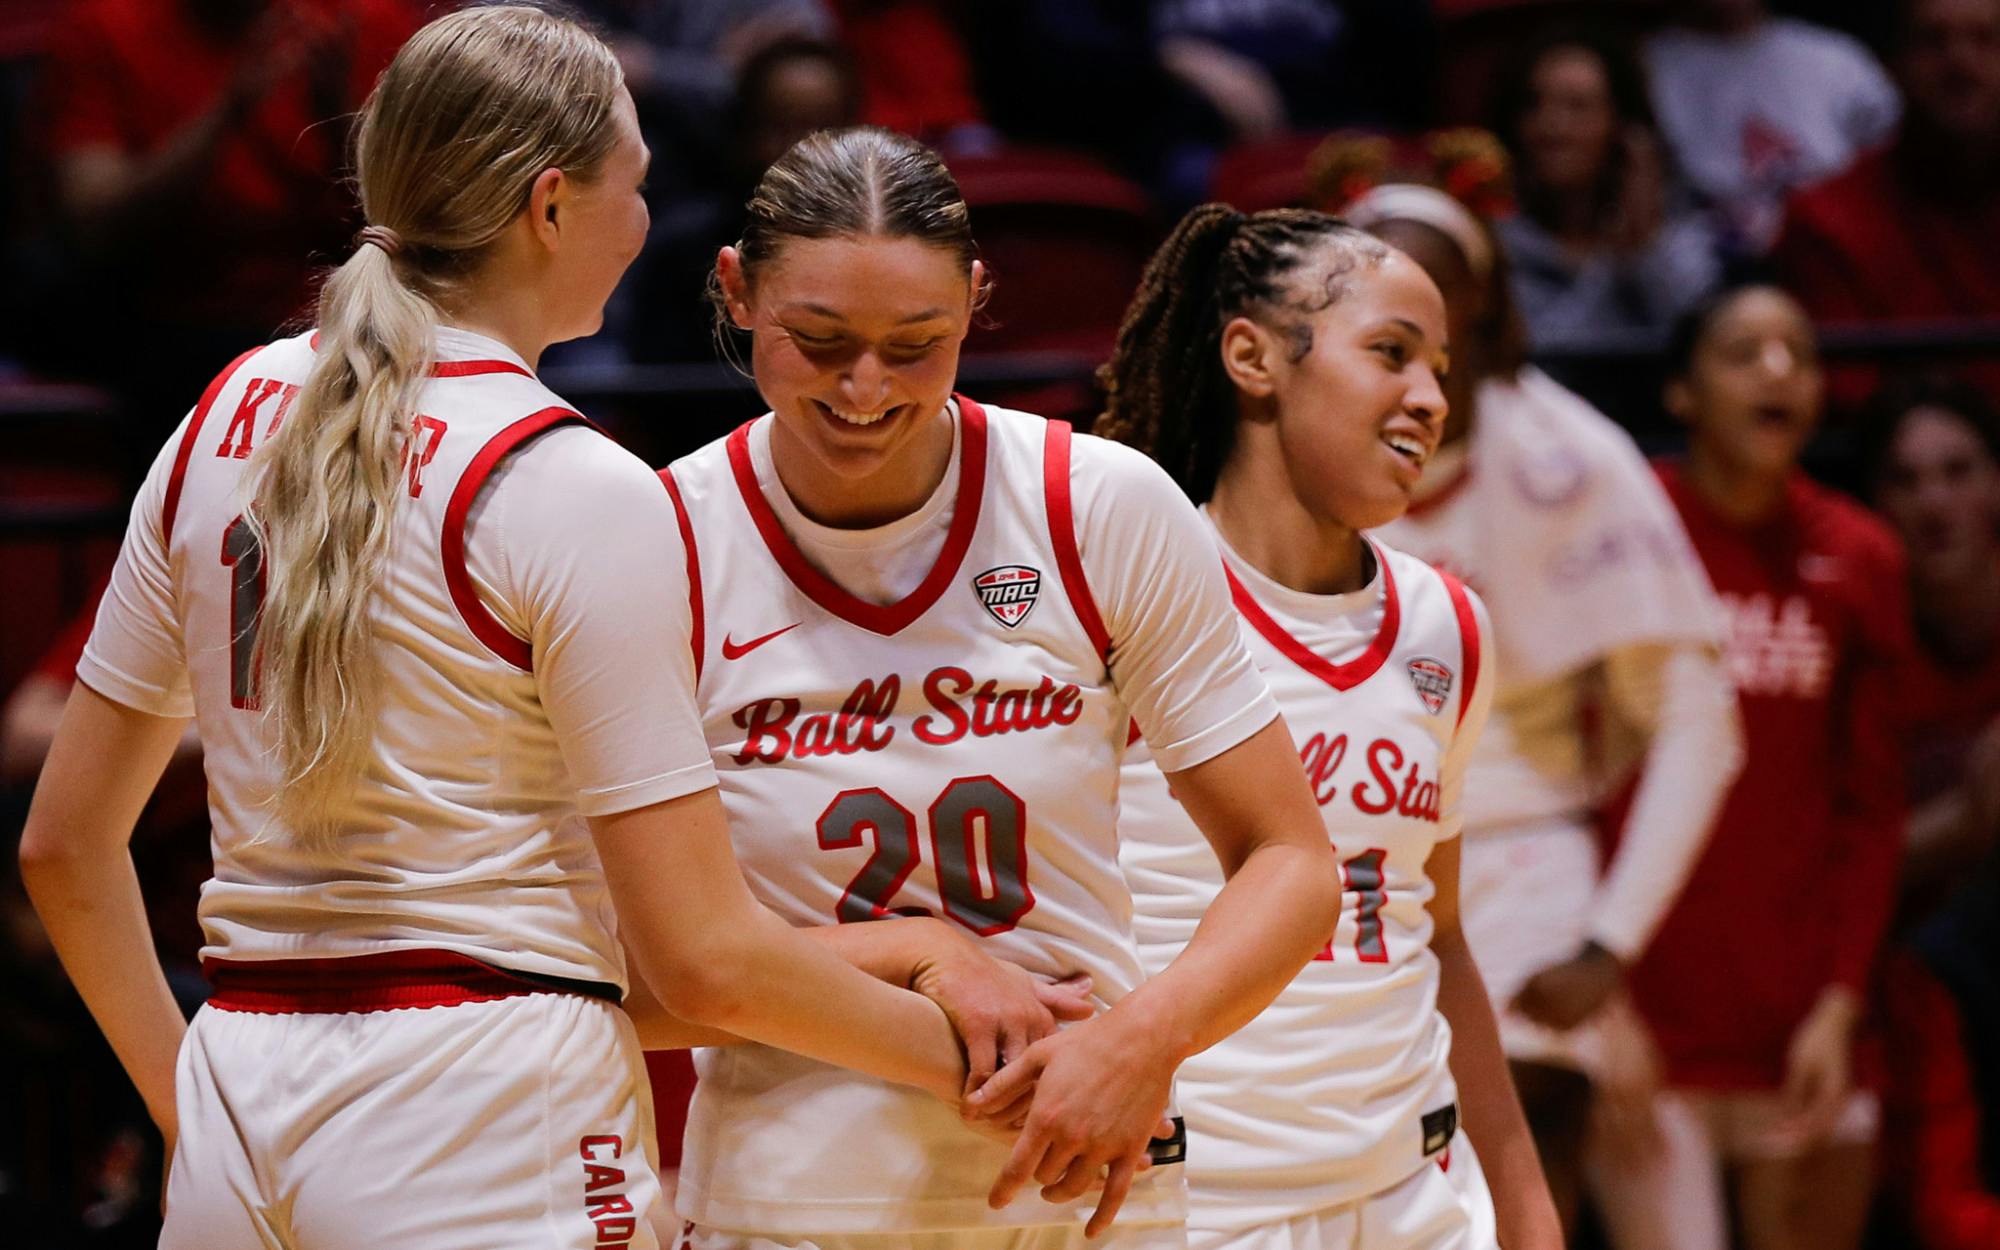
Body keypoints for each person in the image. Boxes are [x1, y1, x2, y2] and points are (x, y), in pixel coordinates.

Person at [15, 11, 980, 1247]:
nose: (647, 219)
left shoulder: (221, 416)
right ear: (550, 205)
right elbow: (704, 962)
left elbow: (61, 849)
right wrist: (990, 1061)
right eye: (635, 183)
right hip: (485, 1108)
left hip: (242, 1093)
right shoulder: (572, 483)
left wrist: (185, 1102)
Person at [660, 125, 1343, 1248]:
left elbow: (1291, 860)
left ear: (978, 301)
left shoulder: (1096, 506)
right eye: (817, 340)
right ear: (736, 291)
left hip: (1086, 1175)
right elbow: (621, 980)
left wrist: (1142, 1038)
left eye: (916, 343)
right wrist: (917, 949)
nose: (866, 388)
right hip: (791, 1196)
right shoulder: (661, 540)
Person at [1099, 202, 1562, 1250]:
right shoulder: (1123, 592)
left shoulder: (1447, 625)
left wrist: (1526, 1208)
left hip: (1412, 1191)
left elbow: (1434, 932)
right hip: (1196, 1199)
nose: (1431, 397)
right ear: (1252, 356)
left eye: (1442, 367)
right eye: (1390, 352)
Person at [1328, 167, 1743, 1239]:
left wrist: (1607, 942)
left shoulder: (1572, 457)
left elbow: (1700, 721)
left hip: (1518, 856)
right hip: (1319, 859)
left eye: (1430, 282)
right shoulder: (1278, 451)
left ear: (1482, 305)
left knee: (1507, 1156)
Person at [1588, 284, 1911, 1250]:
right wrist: (1598, 1005)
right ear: (1682, 394)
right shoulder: (1619, 539)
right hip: (1642, 1018)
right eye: (1744, 352)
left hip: (1804, 1023)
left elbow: (1871, 809)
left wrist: (1841, 1003)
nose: (1779, 371)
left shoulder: (1860, 555)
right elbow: (1557, 782)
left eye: (1799, 353)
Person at [32, 0, 424, 408]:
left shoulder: (361, 19)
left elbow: (427, 221)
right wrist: (229, 111)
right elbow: (92, 222)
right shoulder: (104, 26)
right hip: (170, 321)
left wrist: (339, 120)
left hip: (349, 313)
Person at [1772, 0, 2000, 406]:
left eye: (1986, 39)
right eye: (1933, 41)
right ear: (1892, 65)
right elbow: (1851, 407)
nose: (1961, 64)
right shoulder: (1827, 220)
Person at [1489, 27, 1722, 351]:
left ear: (1624, 130)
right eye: (1533, 104)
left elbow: (1698, 346)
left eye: (1578, 107)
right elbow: (1545, 354)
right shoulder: (1497, 245)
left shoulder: (1679, 233)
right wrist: (1606, 268)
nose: (1553, 127)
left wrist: (1642, 245)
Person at [1865, 374, 2000, 902]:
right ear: (1876, 503)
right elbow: (1820, 870)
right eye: (1905, 480)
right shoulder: (1854, 641)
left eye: (1958, 472)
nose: (1934, 504)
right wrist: (1966, 822)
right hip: (1901, 947)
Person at [1643, 0, 1901, 255]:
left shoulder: (1837, 60)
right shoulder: (1649, 75)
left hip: (1844, 254)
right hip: (1721, 276)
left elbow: (1899, 171)